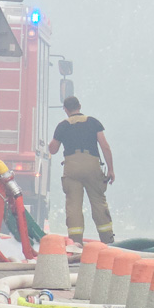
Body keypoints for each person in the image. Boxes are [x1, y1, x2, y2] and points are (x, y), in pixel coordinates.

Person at [48, 96, 115, 244]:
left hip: (72, 167)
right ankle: (108, 241)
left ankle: (75, 243)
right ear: (80, 106)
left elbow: (53, 149)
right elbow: (105, 146)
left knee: (73, 205)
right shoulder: (93, 122)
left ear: (65, 109)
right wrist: (110, 169)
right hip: (92, 165)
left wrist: (52, 141)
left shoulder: (62, 126)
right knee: (98, 202)